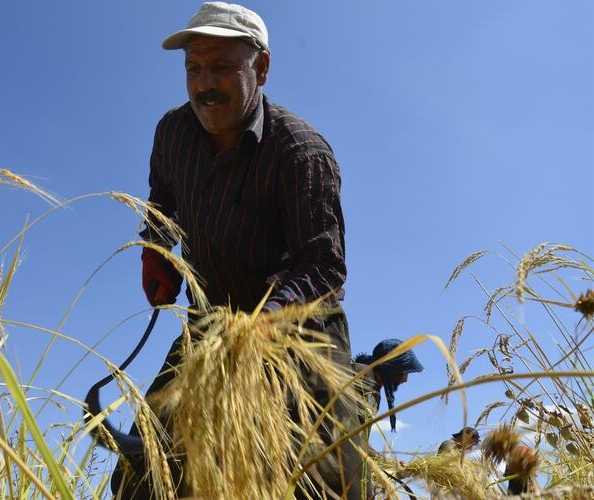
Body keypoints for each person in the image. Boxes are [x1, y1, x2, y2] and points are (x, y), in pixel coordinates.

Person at [111, 2, 364, 498]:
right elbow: (163, 198)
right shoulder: (173, 134)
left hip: (298, 330)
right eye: (193, 68)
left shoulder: (301, 152)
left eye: (222, 67)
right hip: (211, 320)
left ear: (261, 68)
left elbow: (323, 264)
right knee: (145, 471)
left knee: (320, 474)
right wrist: (156, 250)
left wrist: (259, 325)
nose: (205, 84)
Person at [353, 339, 425, 433]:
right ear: (393, 368)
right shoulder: (360, 380)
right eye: (405, 371)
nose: (406, 379)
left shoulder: (372, 385)